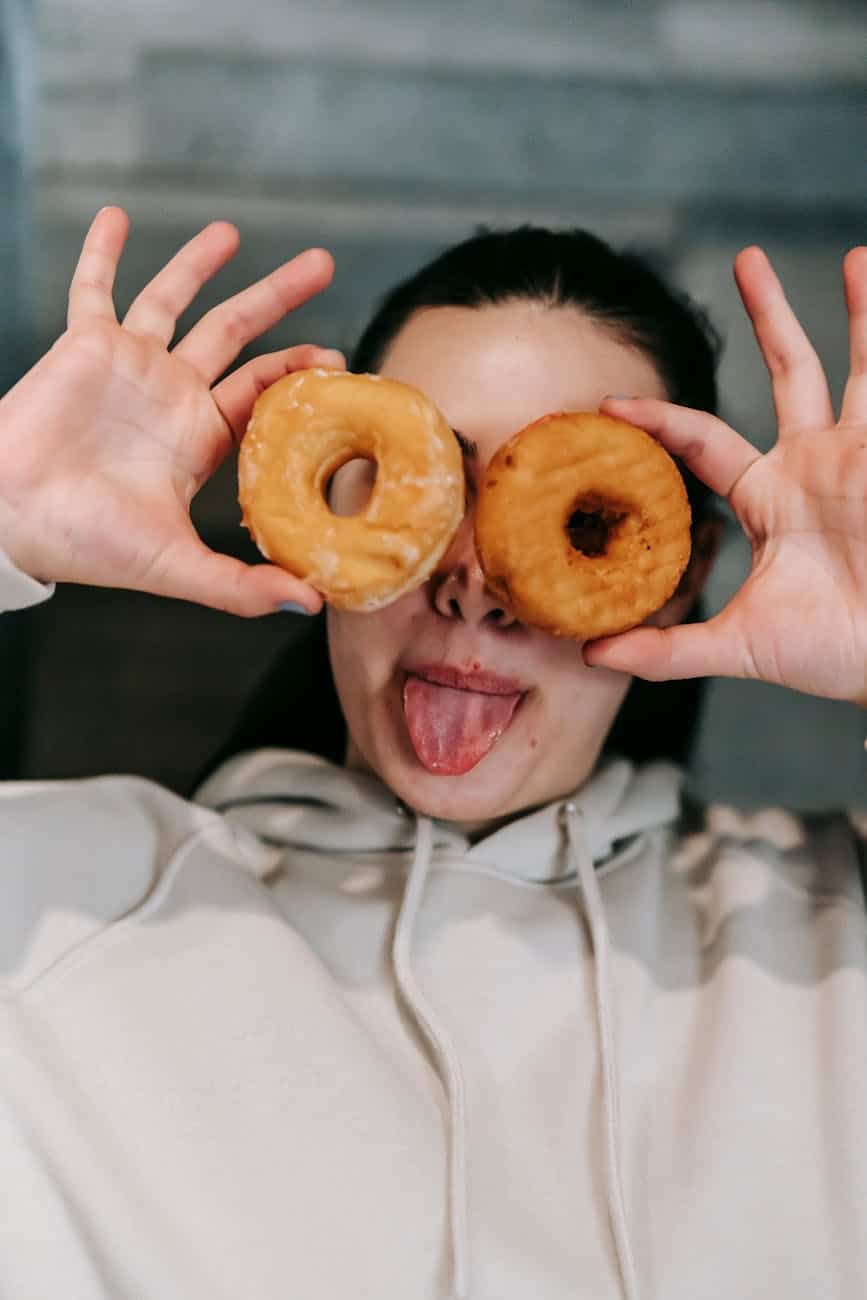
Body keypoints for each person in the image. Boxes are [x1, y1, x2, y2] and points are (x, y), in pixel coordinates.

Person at [0, 205, 865, 1300]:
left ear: (678, 576)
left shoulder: (826, 932)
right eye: (428, 480)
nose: (471, 578)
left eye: (573, 519)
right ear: (316, 512)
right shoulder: (53, 904)